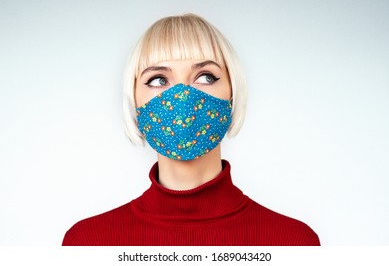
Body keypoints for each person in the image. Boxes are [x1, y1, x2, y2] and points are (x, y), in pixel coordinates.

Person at [62, 13, 320, 246]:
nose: (183, 97)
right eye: (158, 80)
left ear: (232, 94)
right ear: (135, 99)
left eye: (206, 77)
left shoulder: (293, 242)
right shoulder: (88, 243)